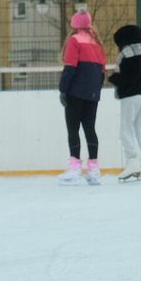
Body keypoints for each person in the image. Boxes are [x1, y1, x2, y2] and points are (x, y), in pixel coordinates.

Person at [57, 11, 106, 186]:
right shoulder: (97, 44)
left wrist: (63, 90)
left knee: (73, 129)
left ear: (74, 25)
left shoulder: (74, 41)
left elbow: (70, 67)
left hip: (75, 93)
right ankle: (94, 169)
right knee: (90, 129)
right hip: (92, 95)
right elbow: (102, 73)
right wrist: (94, 91)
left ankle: (75, 169)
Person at [107, 24, 141, 183]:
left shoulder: (126, 55)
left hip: (130, 96)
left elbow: (128, 78)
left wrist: (113, 78)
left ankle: (132, 161)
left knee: (125, 130)